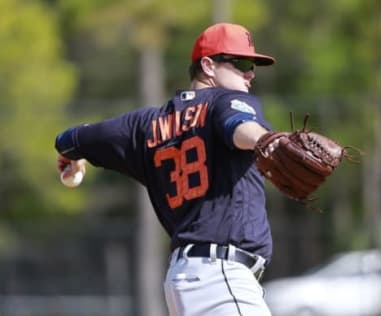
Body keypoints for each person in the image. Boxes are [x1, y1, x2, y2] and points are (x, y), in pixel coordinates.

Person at [55, 23, 275, 316]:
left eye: (253, 66)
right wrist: (266, 140)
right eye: (243, 63)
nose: (250, 73)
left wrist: (73, 155)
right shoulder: (228, 102)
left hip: (184, 279)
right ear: (208, 65)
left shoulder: (143, 125)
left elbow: (69, 139)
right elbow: (238, 126)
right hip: (221, 274)